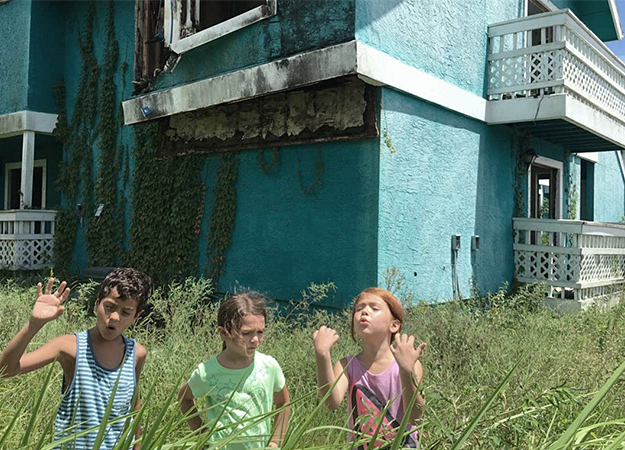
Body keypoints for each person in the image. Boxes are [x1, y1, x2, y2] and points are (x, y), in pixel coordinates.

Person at [0, 268, 152, 450]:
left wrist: (137, 446)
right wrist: (34, 324)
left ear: (136, 317)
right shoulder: (69, 347)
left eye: (126, 312)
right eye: (109, 307)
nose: (114, 317)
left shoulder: (136, 353)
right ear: (96, 305)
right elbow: (6, 370)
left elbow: (134, 406)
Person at [312, 287, 426, 449]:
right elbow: (331, 403)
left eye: (374, 308)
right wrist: (322, 354)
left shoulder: (409, 363)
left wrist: (406, 370)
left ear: (394, 325)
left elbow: (415, 417)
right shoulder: (346, 365)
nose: (364, 311)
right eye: (359, 309)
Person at [179, 292, 290, 450]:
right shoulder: (207, 372)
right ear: (224, 333)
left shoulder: (269, 366)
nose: (255, 340)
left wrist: (275, 443)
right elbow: (184, 399)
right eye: (246, 333)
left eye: (260, 332)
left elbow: (284, 403)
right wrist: (202, 435)